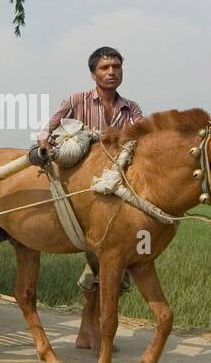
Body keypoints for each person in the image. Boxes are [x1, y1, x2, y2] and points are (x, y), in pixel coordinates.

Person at [36, 46, 144, 298]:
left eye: (116, 67)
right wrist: (46, 146)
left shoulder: (132, 109)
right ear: (93, 74)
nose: (111, 72)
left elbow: (142, 139)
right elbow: (46, 131)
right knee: (104, 244)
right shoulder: (76, 101)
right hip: (82, 184)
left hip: (115, 182)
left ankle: (100, 293)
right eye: (104, 68)